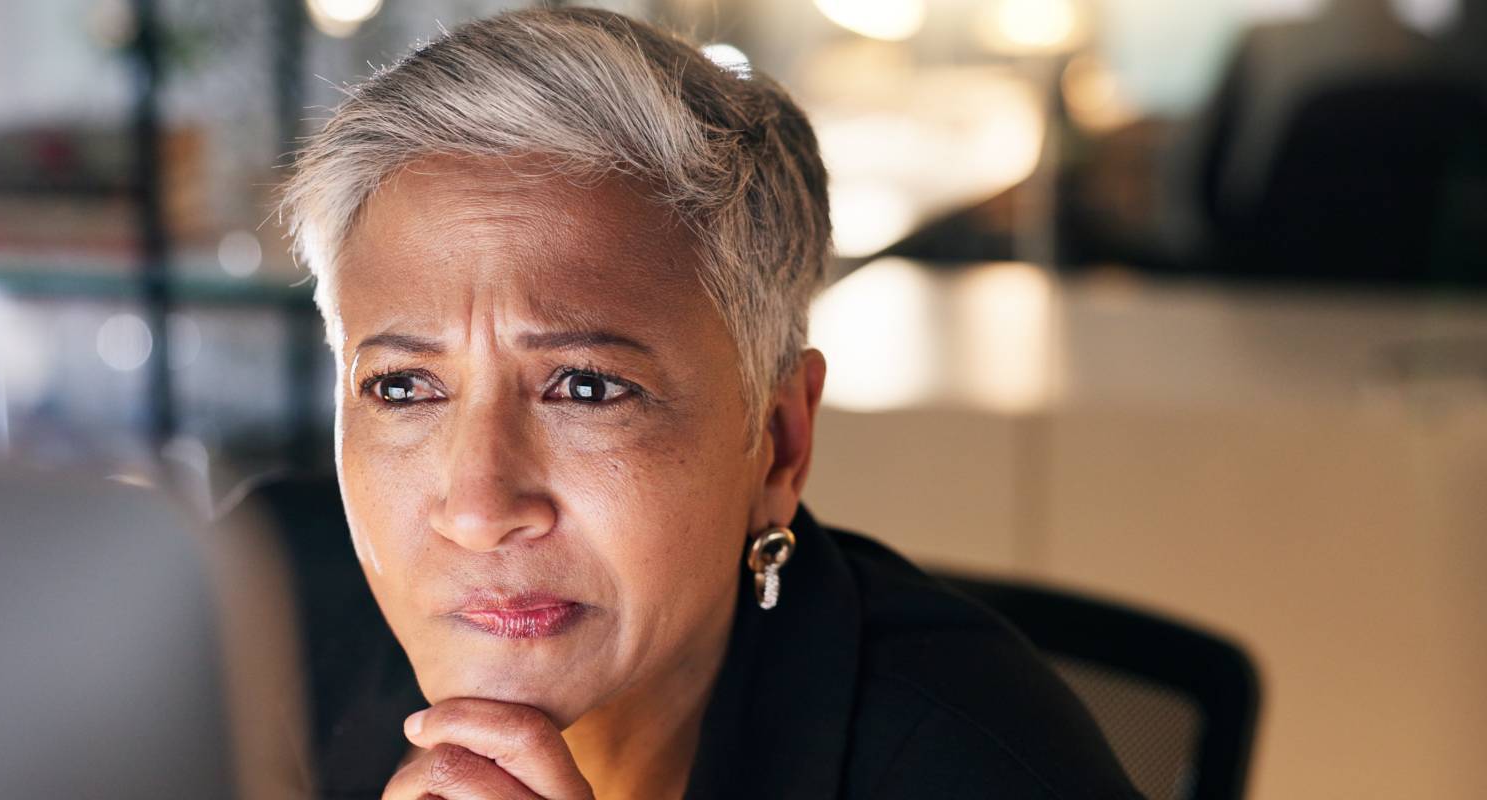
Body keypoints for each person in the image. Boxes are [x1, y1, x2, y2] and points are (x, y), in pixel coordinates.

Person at [256, 8, 1138, 798]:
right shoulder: (248, 629)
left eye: (588, 387)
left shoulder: (985, 770)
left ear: (780, 442)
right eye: (403, 388)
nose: (480, 511)